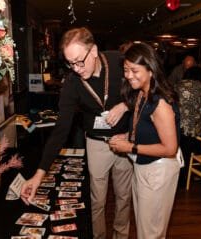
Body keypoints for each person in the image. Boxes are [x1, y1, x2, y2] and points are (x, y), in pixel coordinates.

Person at [21, 27, 133, 239]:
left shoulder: (119, 62)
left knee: (123, 198)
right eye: (70, 63)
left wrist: (125, 105)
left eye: (79, 61)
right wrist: (39, 174)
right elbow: (61, 130)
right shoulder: (72, 83)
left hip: (125, 140)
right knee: (97, 200)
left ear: (94, 51)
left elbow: (145, 88)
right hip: (97, 142)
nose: (76, 68)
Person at [108, 43, 181, 239]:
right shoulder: (141, 93)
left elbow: (170, 148)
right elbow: (147, 128)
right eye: (126, 70)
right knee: (144, 227)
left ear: (151, 70)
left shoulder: (161, 103)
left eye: (134, 70)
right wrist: (128, 137)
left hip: (158, 170)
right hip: (144, 167)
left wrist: (130, 146)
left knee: (151, 233)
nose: (129, 75)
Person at [175, 66, 201, 185]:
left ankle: (174, 178)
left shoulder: (178, 85)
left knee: (175, 152)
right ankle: (184, 180)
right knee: (187, 153)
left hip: (177, 125)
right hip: (193, 128)